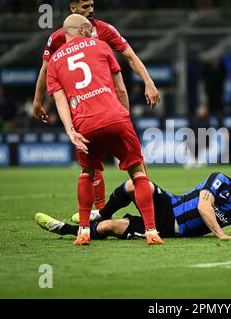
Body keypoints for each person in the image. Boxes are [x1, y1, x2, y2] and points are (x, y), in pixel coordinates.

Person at [46, 14, 163, 246]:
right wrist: (125, 117)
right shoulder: (101, 45)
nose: (92, 32)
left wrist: (70, 131)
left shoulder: (55, 61)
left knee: (87, 173)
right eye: (88, 29)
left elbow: (60, 101)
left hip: (84, 125)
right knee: (138, 172)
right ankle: (151, 231)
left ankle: (83, 232)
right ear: (80, 30)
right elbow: (120, 87)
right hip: (115, 118)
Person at [35, 159, 231, 240]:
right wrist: (220, 234)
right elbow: (204, 205)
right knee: (136, 183)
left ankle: (64, 228)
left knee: (111, 229)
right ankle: (98, 212)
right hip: (171, 207)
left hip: (169, 229)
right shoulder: (219, 181)